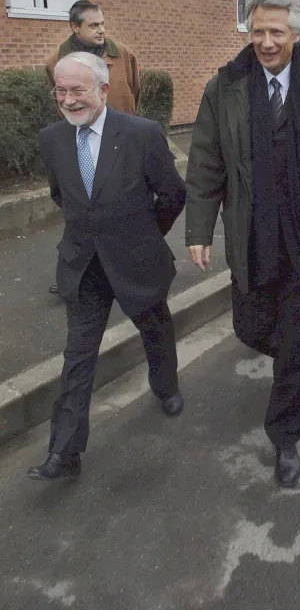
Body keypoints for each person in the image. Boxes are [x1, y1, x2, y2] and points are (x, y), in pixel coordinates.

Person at [186, 0, 300, 488]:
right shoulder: (225, 86)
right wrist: (199, 228)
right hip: (251, 232)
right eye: (258, 31)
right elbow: (206, 161)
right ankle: (286, 351)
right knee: (249, 327)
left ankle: (286, 436)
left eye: (276, 33)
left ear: (297, 35)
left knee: (296, 340)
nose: (266, 42)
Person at [27, 53, 186, 482]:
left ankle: (166, 387)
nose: (68, 100)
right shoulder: (52, 139)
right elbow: (62, 195)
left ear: (103, 89)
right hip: (84, 266)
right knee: (78, 356)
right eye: (61, 91)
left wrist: (144, 234)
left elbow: (173, 194)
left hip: (137, 260)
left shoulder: (141, 134)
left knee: (155, 329)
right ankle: (64, 452)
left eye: (77, 90)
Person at [47, 0, 141, 295]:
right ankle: (75, 274)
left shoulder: (122, 53)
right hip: (83, 145)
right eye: (93, 25)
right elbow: (62, 102)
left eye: (103, 23)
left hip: (121, 144)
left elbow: (134, 91)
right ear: (75, 28)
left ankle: (131, 268)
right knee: (81, 214)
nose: (101, 30)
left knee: (129, 208)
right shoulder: (56, 61)